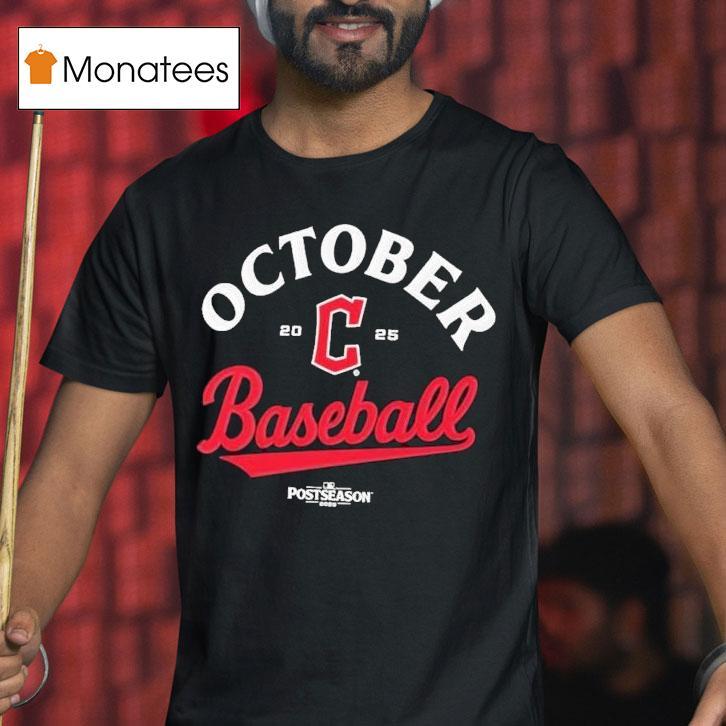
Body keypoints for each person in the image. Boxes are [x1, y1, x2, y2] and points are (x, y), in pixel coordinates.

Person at [2, 0, 724, 723]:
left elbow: (664, 414)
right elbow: (70, 475)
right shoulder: (165, 210)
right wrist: (15, 623)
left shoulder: (523, 187)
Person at [538, 522, 698, 725]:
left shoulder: (702, 698)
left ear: (630, 619)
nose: (550, 626)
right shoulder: (545, 703)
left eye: (566, 607)